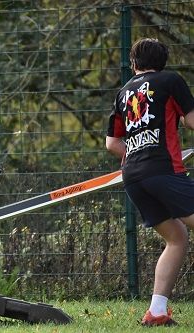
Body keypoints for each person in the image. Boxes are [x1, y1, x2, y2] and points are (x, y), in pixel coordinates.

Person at [106, 37, 194, 326]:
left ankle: (156, 311)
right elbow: (192, 121)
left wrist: (139, 151)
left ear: (134, 64)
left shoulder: (122, 93)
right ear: (163, 62)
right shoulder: (170, 81)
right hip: (164, 171)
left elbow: (111, 143)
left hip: (133, 177)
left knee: (177, 237)